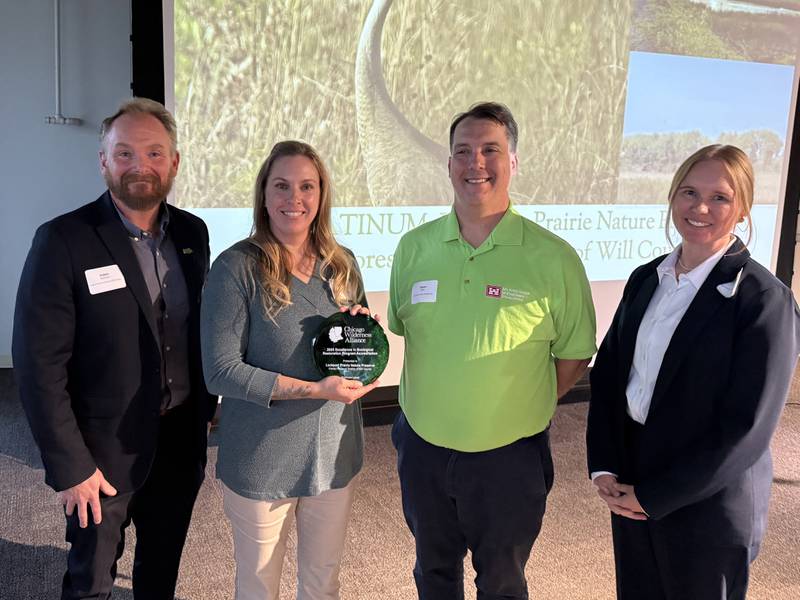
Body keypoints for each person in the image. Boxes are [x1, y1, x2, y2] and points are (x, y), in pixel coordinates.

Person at [387, 101, 597, 599]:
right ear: (449, 164)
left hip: (509, 458)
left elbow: (573, 357)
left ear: (514, 162)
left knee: (502, 581)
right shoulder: (413, 248)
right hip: (422, 447)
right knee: (432, 573)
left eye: (490, 150)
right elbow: (402, 330)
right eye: (463, 151)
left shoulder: (554, 258)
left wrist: (518, 404)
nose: (475, 163)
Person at [12, 97, 216, 599]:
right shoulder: (63, 240)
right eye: (124, 153)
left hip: (179, 442)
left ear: (174, 163)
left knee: (160, 573)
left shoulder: (193, 233)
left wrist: (207, 408)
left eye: (153, 153)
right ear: (103, 161)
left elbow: (197, 332)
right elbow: (39, 366)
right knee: (91, 582)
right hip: (98, 456)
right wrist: (70, 466)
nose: (139, 165)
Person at [586, 144, 800, 599]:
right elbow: (608, 378)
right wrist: (604, 464)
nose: (700, 208)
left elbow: (747, 430)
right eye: (688, 192)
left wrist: (657, 497)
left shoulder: (764, 300)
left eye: (720, 197)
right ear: (672, 197)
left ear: (742, 209)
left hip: (708, 504)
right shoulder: (647, 278)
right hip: (633, 485)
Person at [201, 140, 377, 599]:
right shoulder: (236, 268)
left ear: (321, 195)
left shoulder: (343, 265)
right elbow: (219, 371)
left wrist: (366, 339)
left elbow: (361, 358)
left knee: (323, 583)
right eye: (281, 186)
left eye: (306, 186)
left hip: (333, 455)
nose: (293, 199)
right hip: (262, 460)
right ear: (263, 194)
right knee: (258, 587)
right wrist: (316, 390)